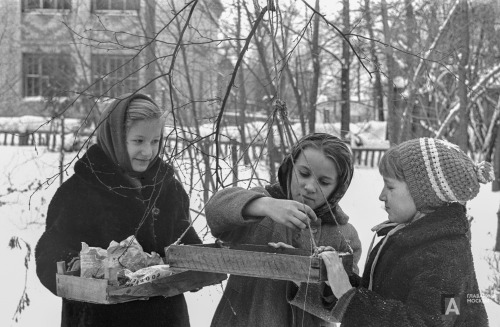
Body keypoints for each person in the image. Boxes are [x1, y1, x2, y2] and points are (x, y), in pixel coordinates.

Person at [35, 93, 201, 327]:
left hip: (166, 318)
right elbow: (49, 254)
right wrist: (85, 269)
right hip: (98, 319)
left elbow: (186, 240)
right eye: (138, 141)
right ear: (115, 137)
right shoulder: (80, 191)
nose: (148, 151)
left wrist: (198, 265)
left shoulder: (168, 188)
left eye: (155, 141)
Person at [314, 137, 492, 326]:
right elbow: (384, 297)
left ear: (424, 195)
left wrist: (349, 297)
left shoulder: (446, 256)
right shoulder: (406, 237)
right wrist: (340, 282)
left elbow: (424, 322)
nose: (381, 196)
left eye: (390, 186)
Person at [205, 133, 362, 327]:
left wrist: (300, 275)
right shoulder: (261, 209)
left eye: (324, 182)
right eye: (304, 173)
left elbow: (339, 309)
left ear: (338, 188)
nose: (310, 186)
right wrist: (265, 205)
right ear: (290, 168)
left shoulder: (343, 235)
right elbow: (215, 211)